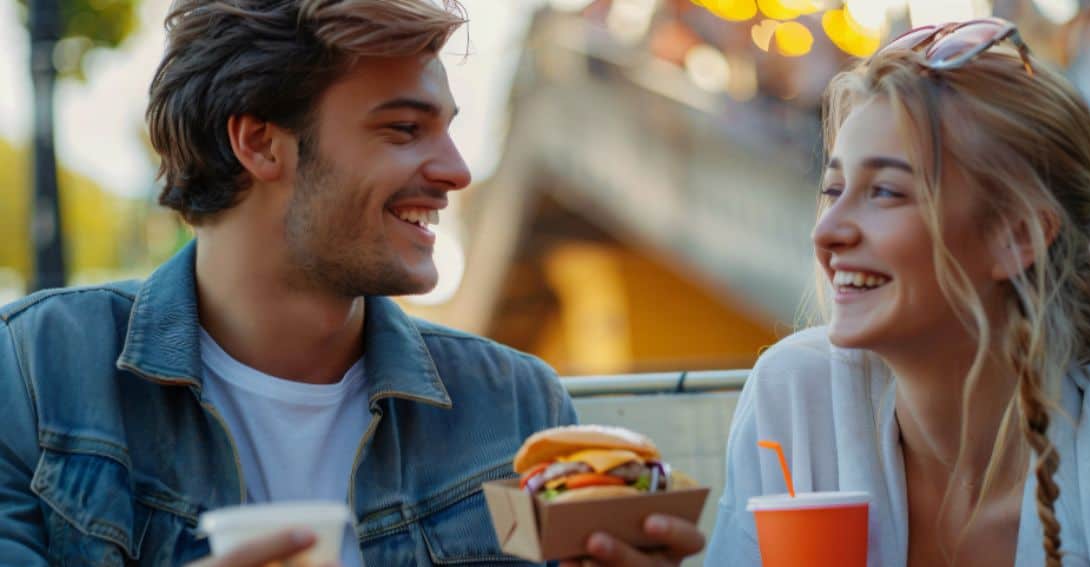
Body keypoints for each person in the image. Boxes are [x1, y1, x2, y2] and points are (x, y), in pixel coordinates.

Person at [0, 0, 703, 565]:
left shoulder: (517, 406)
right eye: (403, 128)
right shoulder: (33, 373)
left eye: (448, 130)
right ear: (259, 143)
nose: (457, 169)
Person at [706, 18, 1090, 567]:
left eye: (884, 192)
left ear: (1016, 236)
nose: (827, 232)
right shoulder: (794, 400)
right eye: (833, 189)